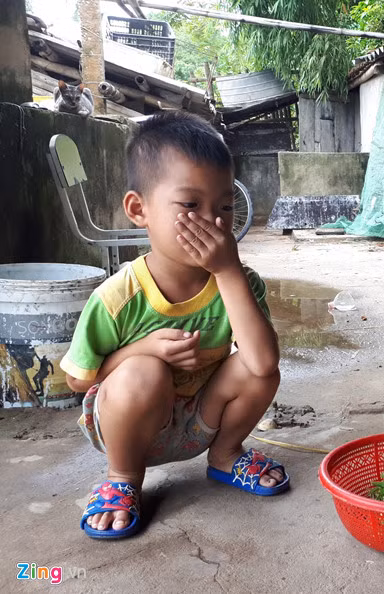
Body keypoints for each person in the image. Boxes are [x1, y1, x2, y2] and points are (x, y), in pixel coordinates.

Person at [61, 111, 287, 540]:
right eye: (190, 205)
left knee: (259, 368)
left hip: (205, 417)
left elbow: (262, 363)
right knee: (143, 370)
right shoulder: (118, 296)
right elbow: (76, 379)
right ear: (138, 209)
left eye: (224, 206)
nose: (214, 222)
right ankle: (122, 479)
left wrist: (228, 272)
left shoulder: (239, 282)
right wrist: (142, 350)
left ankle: (225, 455)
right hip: (133, 428)